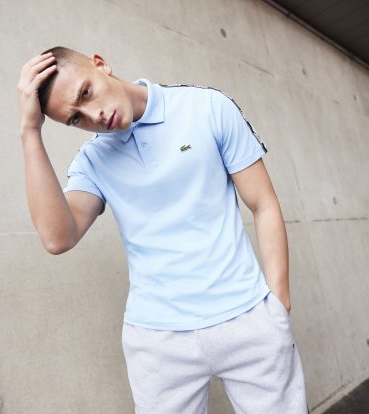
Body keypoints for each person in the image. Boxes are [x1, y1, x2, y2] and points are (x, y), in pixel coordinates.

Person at [17, 46, 309, 413]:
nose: (94, 116)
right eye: (76, 119)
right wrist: (30, 131)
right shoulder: (92, 161)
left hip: (248, 317)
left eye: (86, 93)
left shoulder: (206, 107)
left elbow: (263, 203)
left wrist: (278, 303)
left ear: (101, 64)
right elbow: (57, 237)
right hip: (157, 342)